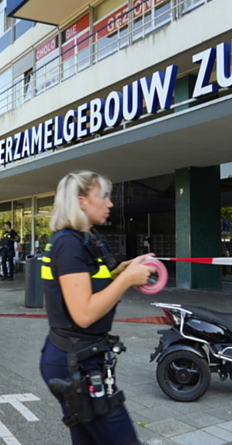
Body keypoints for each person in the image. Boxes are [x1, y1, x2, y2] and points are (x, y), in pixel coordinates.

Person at [39, 170, 155, 445]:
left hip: (76, 357)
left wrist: (118, 273)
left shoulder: (79, 240)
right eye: (103, 196)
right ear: (82, 201)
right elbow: (84, 313)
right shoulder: (69, 244)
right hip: (75, 361)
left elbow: (85, 287)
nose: (110, 203)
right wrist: (126, 280)